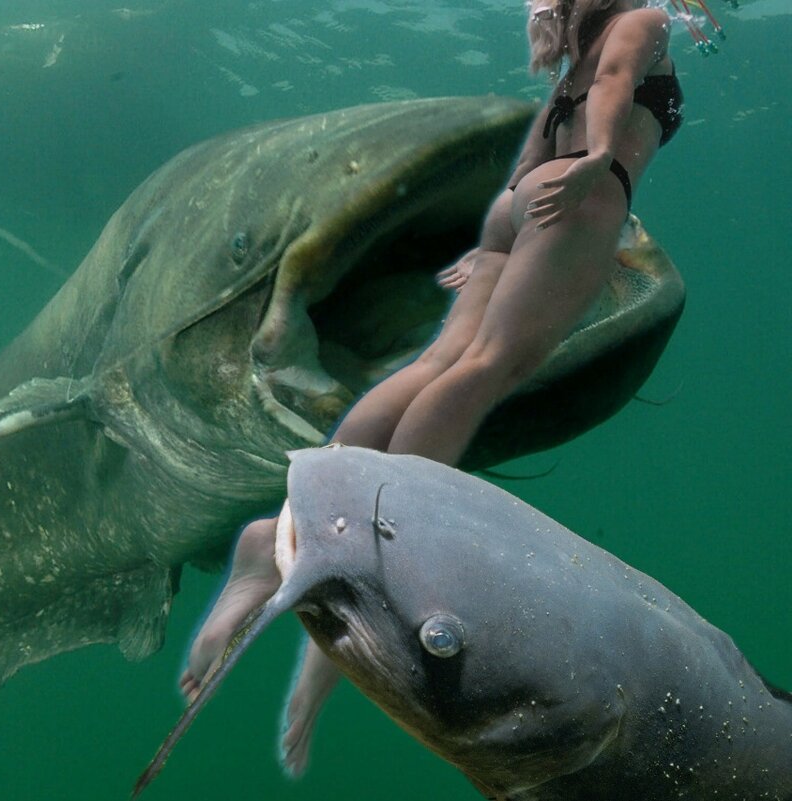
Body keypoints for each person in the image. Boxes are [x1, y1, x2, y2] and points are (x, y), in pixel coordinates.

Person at [180, 0, 689, 774]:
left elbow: (546, 136)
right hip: (588, 191)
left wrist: (498, 239)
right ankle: (346, 582)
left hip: (523, 198)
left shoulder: (573, 47)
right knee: (486, 374)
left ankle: (274, 533)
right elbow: (618, 85)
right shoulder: (641, 20)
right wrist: (595, 166)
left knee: (434, 368)